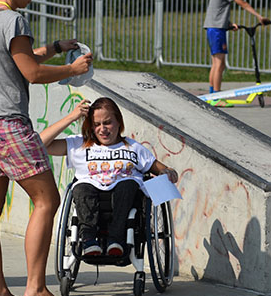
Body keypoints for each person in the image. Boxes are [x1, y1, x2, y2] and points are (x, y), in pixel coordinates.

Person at [0, 0, 92, 296]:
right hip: (7, 124)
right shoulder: (15, 20)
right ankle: (36, 288)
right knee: (47, 201)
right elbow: (33, 73)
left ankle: (0, 293)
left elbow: (16, 60)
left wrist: (55, 48)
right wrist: (72, 68)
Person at [40, 97, 178, 258]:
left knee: (127, 184)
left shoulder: (133, 147)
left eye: (107, 123)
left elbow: (161, 168)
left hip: (125, 197)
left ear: (119, 122)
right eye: (97, 124)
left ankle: (116, 240)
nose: (102, 129)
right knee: (81, 187)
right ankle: (89, 239)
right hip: (89, 193)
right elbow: (40, 143)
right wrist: (72, 117)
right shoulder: (79, 144)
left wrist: (168, 172)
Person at [202, 0, 268, 101]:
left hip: (213, 28)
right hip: (217, 31)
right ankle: (217, 96)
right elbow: (242, 3)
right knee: (220, 64)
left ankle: (212, 94)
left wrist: (229, 25)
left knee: (216, 63)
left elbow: (217, 12)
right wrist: (259, 16)